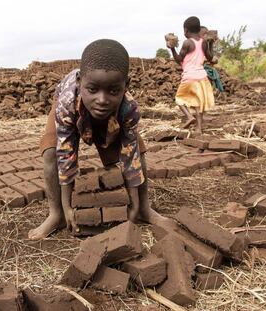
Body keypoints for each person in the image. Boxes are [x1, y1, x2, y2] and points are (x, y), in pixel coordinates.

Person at [28, 39, 168, 240]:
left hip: (112, 116)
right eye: (93, 90)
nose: (102, 100)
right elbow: (66, 156)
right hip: (74, 111)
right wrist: (68, 207)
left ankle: (145, 209)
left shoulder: (129, 108)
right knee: (51, 152)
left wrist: (134, 207)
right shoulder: (66, 103)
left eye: (113, 91)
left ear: (125, 86)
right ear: (79, 82)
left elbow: (131, 158)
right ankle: (56, 214)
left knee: (138, 150)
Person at [167, 17, 215, 133]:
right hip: (202, 76)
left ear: (186, 30)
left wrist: (172, 48)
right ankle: (198, 128)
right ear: (198, 29)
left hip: (189, 76)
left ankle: (189, 116)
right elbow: (210, 58)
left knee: (179, 99)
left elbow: (179, 60)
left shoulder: (187, 43)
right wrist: (211, 45)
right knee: (198, 103)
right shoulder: (203, 42)